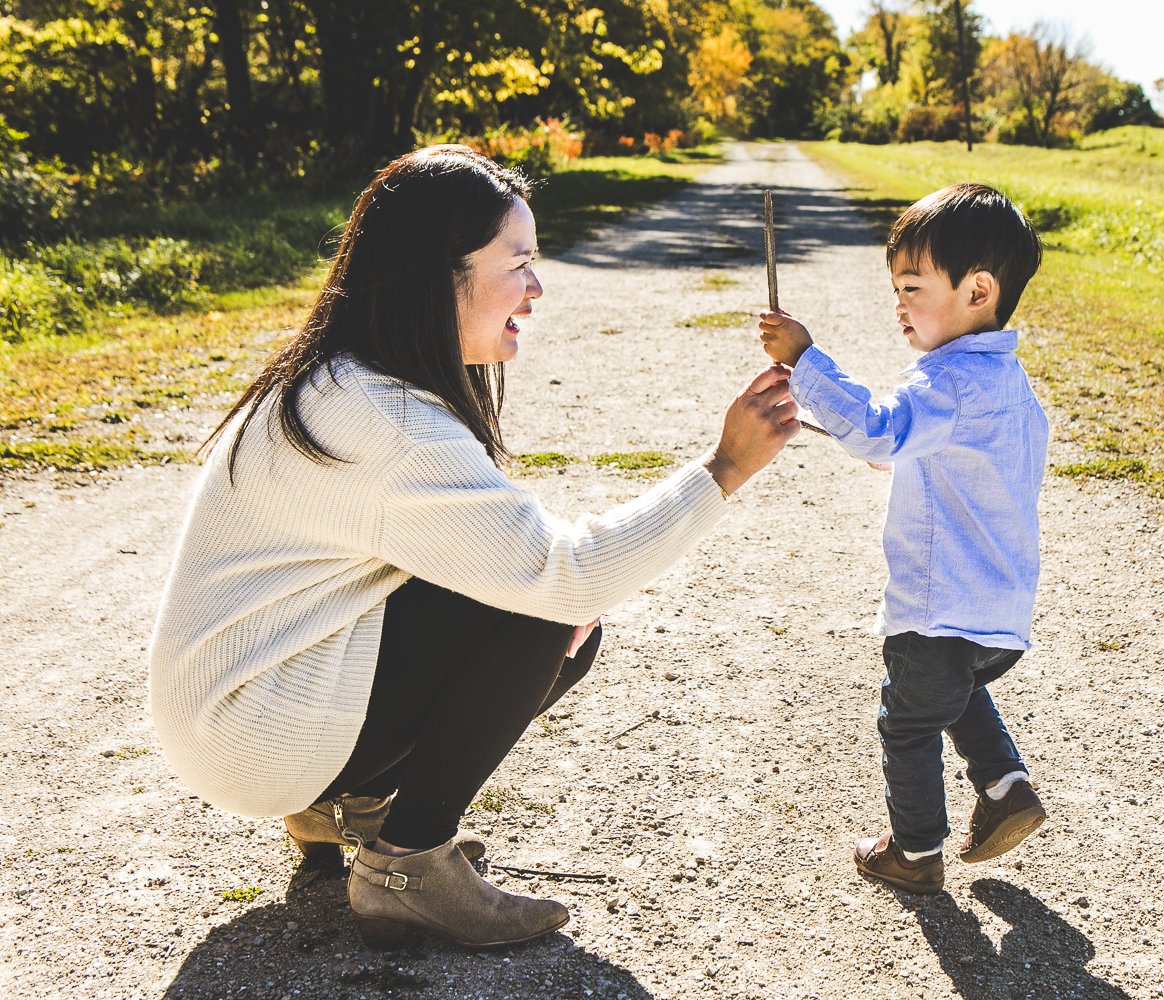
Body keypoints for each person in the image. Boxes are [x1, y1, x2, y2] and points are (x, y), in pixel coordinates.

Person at [149, 145, 799, 950]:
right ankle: (406, 864)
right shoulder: (387, 423)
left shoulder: (343, 378)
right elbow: (564, 575)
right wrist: (725, 467)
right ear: (438, 273)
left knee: (512, 585)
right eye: (518, 262)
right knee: (545, 610)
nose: (536, 286)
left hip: (237, 707)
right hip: (254, 733)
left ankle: (340, 807)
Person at [756, 182, 1049, 895]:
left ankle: (914, 854)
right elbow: (927, 449)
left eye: (913, 286)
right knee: (949, 692)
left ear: (979, 290)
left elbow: (885, 427)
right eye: (897, 287)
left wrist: (806, 361)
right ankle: (1006, 786)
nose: (900, 303)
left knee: (907, 721)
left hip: (936, 601)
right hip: (997, 613)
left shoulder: (945, 383)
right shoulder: (1010, 385)